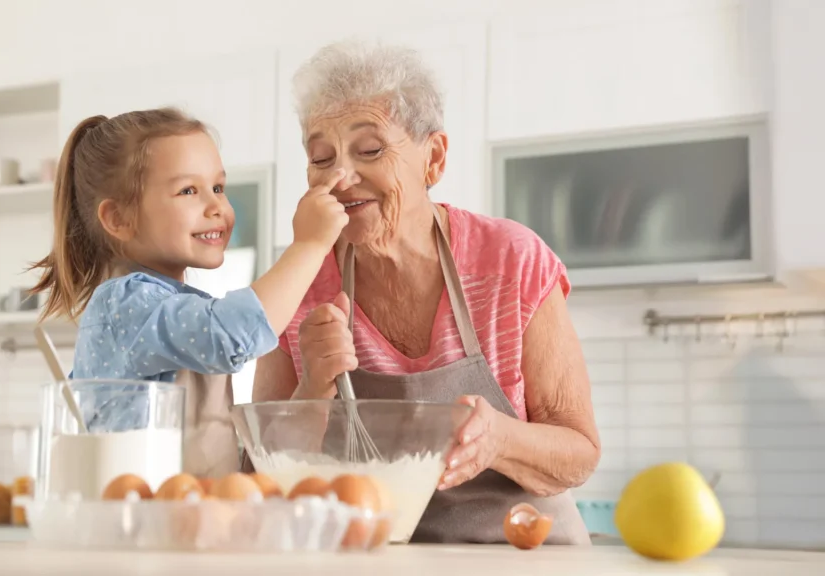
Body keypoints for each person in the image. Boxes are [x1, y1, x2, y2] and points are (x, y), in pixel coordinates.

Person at [252, 41, 601, 545]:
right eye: (320, 157)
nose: (339, 178)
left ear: (433, 158)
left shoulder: (511, 261)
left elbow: (580, 451)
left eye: (369, 150)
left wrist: (500, 440)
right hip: (379, 559)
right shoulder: (299, 283)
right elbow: (259, 475)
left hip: (524, 556)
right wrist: (313, 389)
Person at [30, 108, 348, 430]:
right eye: (188, 191)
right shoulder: (123, 304)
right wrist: (309, 244)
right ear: (119, 219)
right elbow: (233, 335)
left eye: (219, 188)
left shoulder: (180, 308)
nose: (217, 207)